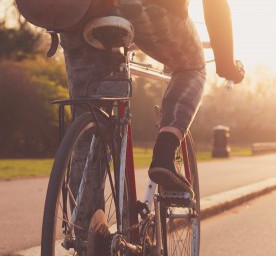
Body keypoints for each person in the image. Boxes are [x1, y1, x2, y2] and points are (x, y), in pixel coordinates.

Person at [60, 0, 245, 196]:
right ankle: (165, 151)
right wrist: (226, 64)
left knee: (88, 124)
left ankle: (84, 222)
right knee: (191, 68)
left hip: (76, 12)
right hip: (143, 6)